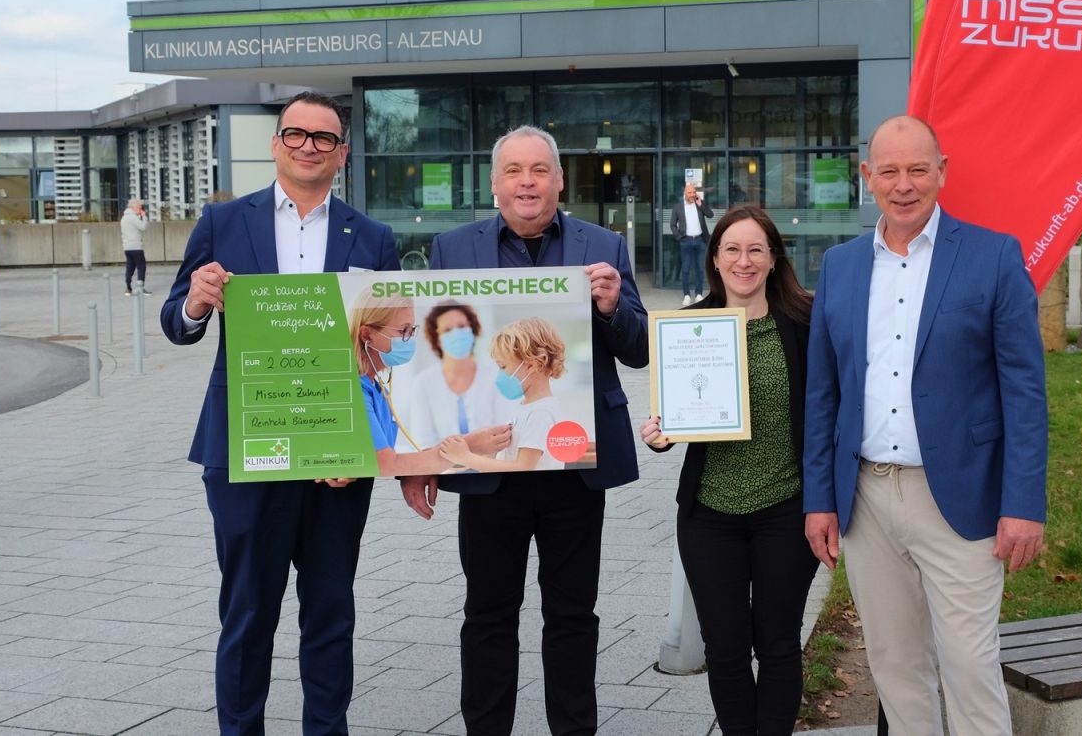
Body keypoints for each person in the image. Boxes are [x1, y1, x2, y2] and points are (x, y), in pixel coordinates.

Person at [801, 115, 1048, 736]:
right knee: (895, 665)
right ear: (867, 177)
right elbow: (824, 393)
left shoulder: (993, 256)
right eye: (889, 171)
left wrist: (1024, 503)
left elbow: (1025, 391)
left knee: (970, 665)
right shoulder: (841, 265)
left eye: (917, 169)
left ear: (942, 172)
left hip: (961, 497)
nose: (903, 184)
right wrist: (819, 499)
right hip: (866, 499)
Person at [161, 91, 399, 735]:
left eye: (324, 138)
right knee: (246, 613)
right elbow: (176, 321)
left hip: (336, 457)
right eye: (297, 134)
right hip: (246, 449)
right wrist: (196, 303)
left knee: (329, 612)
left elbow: (389, 352)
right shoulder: (222, 223)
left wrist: (364, 448)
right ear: (276, 144)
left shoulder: (374, 239)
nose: (309, 147)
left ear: (341, 153)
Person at [399, 125, 648, 736]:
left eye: (540, 170)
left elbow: (640, 350)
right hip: (491, 477)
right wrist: (422, 457)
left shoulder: (604, 246)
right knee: (487, 613)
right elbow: (430, 362)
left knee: (572, 614)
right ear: (494, 184)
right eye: (514, 171)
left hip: (573, 468)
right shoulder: (452, 248)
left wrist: (615, 308)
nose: (528, 182)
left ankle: (574, 729)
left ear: (560, 181)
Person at [638, 205, 819, 736]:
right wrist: (660, 435)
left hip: (785, 510)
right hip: (709, 515)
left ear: (773, 258)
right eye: (732, 249)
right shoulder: (690, 328)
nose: (744, 260)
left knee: (779, 643)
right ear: (715, 259)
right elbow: (674, 415)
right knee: (726, 649)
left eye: (756, 249)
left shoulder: (806, 323)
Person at [347, 293, 512, 477]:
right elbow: (386, 463)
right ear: (367, 335)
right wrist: (469, 446)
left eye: (411, 330)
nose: (409, 338)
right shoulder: (354, 390)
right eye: (403, 331)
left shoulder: (379, 390)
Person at [441, 316, 571, 473]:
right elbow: (511, 459)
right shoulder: (526, 407)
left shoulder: (541, 413)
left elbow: (523, 467)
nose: (499, 374)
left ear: (532, 365)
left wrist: (466, 457)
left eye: (503, 366)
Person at [402, 301, 507, 447]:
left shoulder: (495, 375)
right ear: (436, 339)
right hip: (444, 470)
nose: (456, 333)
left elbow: (504, 434)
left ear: (472, 329)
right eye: (447, 330)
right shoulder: (423, 383)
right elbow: (423, 443)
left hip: (493, 468)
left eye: (461, 326)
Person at [669, 182, 712, 306]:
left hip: (700, 240)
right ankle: (686, 295)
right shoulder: (678, 207)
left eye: (694, 192)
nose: (692, 194)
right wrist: (679, 237)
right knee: (686, 269)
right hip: (686, 241)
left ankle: (699, 294)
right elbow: (672, 224)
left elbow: (710, 215)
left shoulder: (699, 205)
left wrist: (700, 204)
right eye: (690, 192)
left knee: (700, 268)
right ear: (685, 193)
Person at [121, 198, 150, 296]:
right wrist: (144, 217)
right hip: (136, 246)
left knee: (130, 266)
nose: (140, 209)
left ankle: (128, 287)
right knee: (142, 266)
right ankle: (140, 287)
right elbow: (143, 227)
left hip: (127, 247)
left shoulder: (124, 217)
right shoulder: (132, 217)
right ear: (133, 207)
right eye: (139, 207)